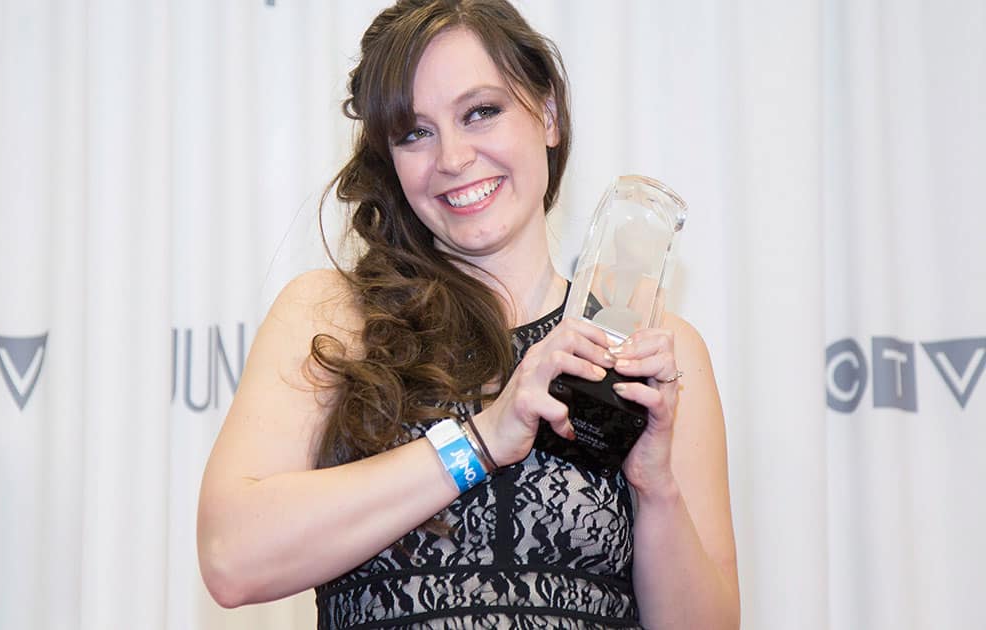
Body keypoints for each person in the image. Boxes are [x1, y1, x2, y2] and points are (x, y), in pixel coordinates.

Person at [197, 1, 740, 627]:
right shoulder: (333, 318)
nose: (452, 158)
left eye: (480, 112)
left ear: (548, 114)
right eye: (414, 132)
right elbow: (230, 556)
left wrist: (654, 483)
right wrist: (479, 441)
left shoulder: (656, 347)